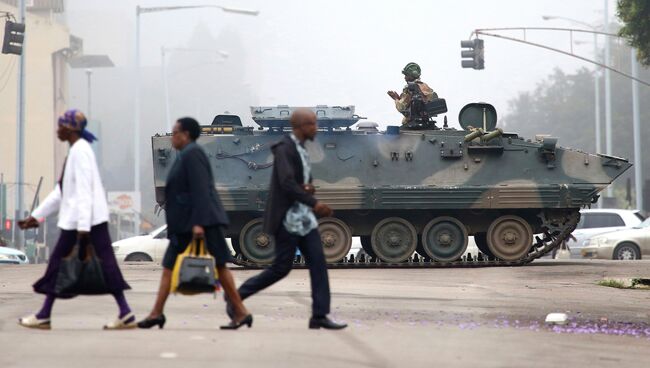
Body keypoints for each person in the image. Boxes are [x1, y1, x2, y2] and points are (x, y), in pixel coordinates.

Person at [227, 109, 347, 330]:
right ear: (300, 126)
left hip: (303, 219)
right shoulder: (285, 148)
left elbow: (295, 182)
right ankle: (235, 297)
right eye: (312, 124)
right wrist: (315, 203)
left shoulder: (300, 149)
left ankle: (319, 315)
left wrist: (307, 189)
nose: (316, 128)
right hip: (288, 219)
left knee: (319, 264)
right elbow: (286, 182)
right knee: (280, 268)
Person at [17, 109, 135, 330]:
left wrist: (82, 229)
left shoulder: (80, 152)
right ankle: (125, 312)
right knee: (106, 264)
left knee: (57, 263)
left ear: (70, 128)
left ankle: (44, 315)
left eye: (60, 125)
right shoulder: (76, 151)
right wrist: (36, 216)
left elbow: (83, 191)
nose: (57, 130)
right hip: (87, 220)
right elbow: (62, 192)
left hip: (82, 223)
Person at [137, 117, 251, 330]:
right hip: (188, 224)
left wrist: (198, 224)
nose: (172, 137)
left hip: (200, 224)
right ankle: (156, 313)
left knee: (216, 266)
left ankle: (241, 312)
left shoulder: (193, 154)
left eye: (175, 132)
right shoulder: (186, 155)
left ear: (185, 134)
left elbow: (201, 189)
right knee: (170, 267)